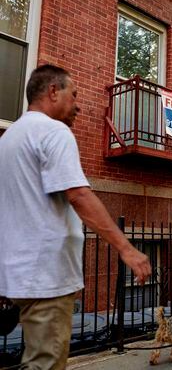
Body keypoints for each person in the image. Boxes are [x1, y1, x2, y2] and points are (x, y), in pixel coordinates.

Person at [0, 64, 152, 369]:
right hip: (47, 276)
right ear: (53, 91)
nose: (79, 104)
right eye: (74, 94)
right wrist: (127, 249)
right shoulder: (54, 131)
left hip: (15, 276)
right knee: (45, 363)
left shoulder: (9, 138)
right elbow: (78, 195)